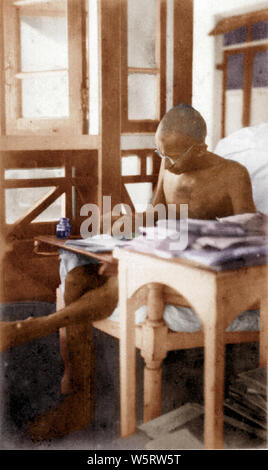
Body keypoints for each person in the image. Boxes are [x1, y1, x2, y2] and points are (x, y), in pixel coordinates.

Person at [28, 104, 256, 440]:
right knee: (77, 276)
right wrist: (121, 229)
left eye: (172, 155)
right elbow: (156, 213)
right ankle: (79, 398)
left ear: (200, 147)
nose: (165, 162)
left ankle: (39, 327)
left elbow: (247, 236)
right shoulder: (169, 167)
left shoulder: (233, 175)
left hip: (194, 268)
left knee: (121, 281)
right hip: (156, 252)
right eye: (158, 151)